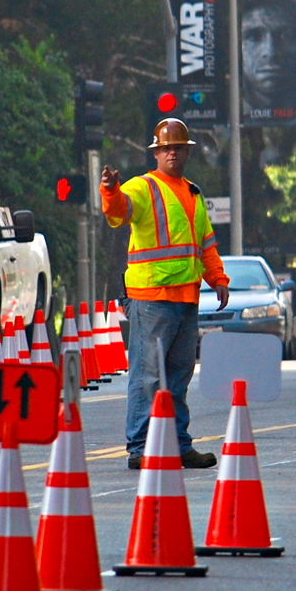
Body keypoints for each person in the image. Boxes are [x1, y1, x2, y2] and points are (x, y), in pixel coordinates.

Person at [100, 118, 230, 470]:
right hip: (151, 299)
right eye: (166, 148)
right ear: (156, 153)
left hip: (186, 300)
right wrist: (110, 191)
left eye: (178, 148)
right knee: (147, 377)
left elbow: (205, 242)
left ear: (186, 152)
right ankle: (141, 448)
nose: (172, 153)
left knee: (177, 377)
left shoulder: (191, 192)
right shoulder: (143, 188)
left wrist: (218, 278)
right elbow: (119, 210)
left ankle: (178, 443)